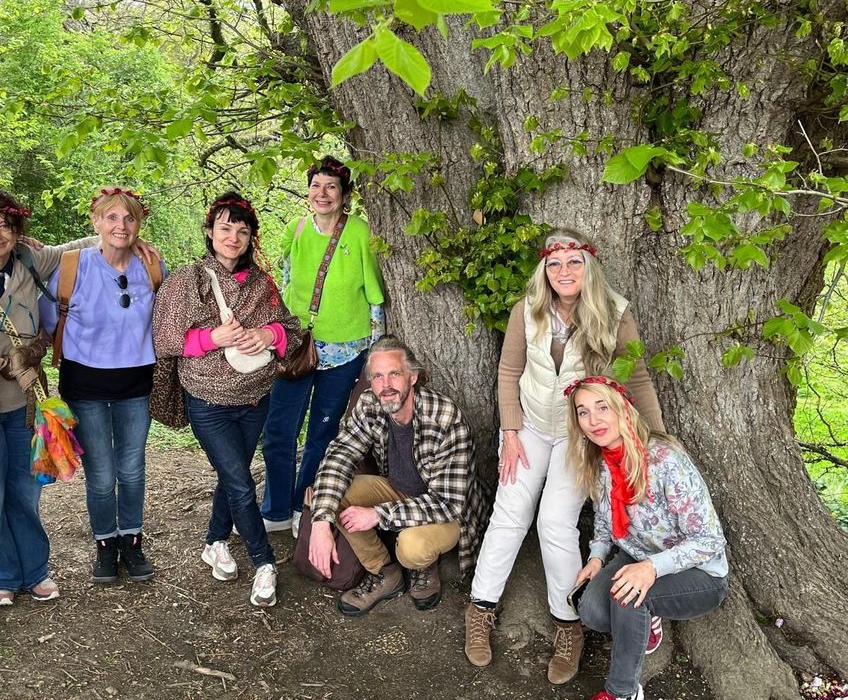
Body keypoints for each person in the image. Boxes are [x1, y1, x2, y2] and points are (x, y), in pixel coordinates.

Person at [464, 228, 665, 684]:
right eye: (554, 264)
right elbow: (509, 370)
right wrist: (509, 432)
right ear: (544, 270)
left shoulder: (615, 314)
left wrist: (656, 440)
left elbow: (636, 378)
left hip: (579, 434)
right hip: (530, 427)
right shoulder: (527, 310)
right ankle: (480, 607)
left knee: (555, 522)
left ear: (589, 266)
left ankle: (568, 621)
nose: (564, 271)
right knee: (510, 512)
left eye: (574, 262)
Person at [0, 189, 157, 606]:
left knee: (27, 489)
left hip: (27, 396)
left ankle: (34, 570)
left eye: (5, 226)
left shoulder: (31, 261)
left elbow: (90, 243)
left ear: (17, 231)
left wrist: (133, 238)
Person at [153, 191, 301, 607]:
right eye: (225, 228)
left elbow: (291, 330)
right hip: (208, 401)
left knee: (230, 475)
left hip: (255, 399)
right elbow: (165, 339)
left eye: (242, 230)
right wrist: (211, 338)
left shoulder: (261, 284)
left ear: (251, 237)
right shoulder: (188, 280)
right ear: (209, 231)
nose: (233, 237)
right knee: (240, 481)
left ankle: (215, 541)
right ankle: (264, 563)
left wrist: (268, 334)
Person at [566, 376, 729, 700]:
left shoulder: (665, 459)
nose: (593, 420)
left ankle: (623, 692)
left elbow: (709, 539)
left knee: (628, 598)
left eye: (602, 407)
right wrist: (596, 558)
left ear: (623, 409)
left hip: (699, 571)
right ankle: (644, 620)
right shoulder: (599, 462)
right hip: (637, 554)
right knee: (592, 610)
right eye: (583, 412)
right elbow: (603, 520)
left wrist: (651, 568)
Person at [308, 336, 488, 617]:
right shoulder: (370, 404)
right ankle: (384, 573)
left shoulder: (444, 417)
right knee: (335, 495)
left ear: (412, 377)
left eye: (394, 374)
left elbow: (448, 504)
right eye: (378, 377)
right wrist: (321, 521)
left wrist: (378, 515)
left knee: (411, 547)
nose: (386, 385)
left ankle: (423, 567)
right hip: (398, 491)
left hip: (447, 511)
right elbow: (339, 455)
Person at [260, 156, 385, 536]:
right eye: (316, 185)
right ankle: (276, 509)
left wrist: (375, 350)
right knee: (279, 431)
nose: (323, 193)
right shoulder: (296, 229)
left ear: (345, 195)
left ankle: (305, 505)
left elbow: (375, 296)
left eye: (332, 186)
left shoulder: (360, 232)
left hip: (346, 350)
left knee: (322, 433)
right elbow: (282, 282)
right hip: (298, 345)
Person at [47, 187, 164, 584]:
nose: (121, 226)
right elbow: (50, 319)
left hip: (136, 384)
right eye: (111, 217)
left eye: (129, 218)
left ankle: (131, 539)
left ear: (139, 224)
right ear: (96, 222)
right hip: (85, 386)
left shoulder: (151, 266)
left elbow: (165, 317)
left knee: (131, 469)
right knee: (100, 474)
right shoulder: (72, 266)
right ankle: (105, 543)